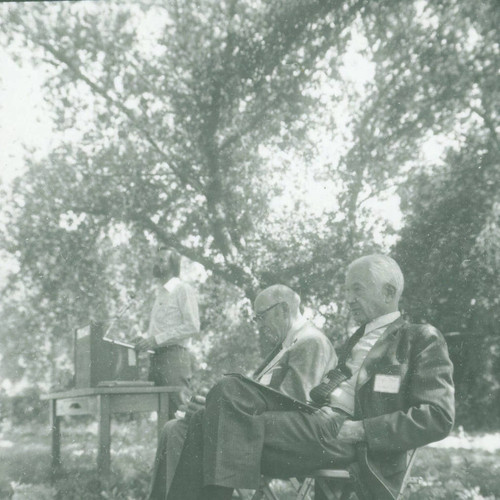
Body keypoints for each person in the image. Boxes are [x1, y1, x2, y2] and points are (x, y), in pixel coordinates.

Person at [167, 255, 455, 500]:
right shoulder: (358, 338)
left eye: (357, 289)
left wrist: (362, 430)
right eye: (347, 291)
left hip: (348, 437)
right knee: (226, 393)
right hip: (315, 420)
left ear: (389, 292)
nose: (348, 299)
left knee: (214, 424)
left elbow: (438, 416)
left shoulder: (419, 338)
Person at [147, 284, 337, 500]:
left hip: (281, 435)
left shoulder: (310, 341)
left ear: (283, 309)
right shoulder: (285, 346)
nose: (260, 325)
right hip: (250, 423)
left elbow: (294, 402)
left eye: (262, 316)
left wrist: (219, 410)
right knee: (173, 428)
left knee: (180, 430)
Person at [134, 246, 200, 418]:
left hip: (175, 359)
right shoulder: (160, 295)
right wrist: (145, 340)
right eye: (156, 259)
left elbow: (193, 326)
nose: (157, 263)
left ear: (173, 264)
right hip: (156, 358)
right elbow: (160, 332)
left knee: (180, 414)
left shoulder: (182, 289)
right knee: (163, 416)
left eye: (162, 260)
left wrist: (156, 339)